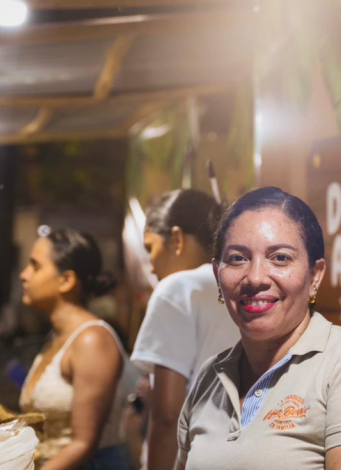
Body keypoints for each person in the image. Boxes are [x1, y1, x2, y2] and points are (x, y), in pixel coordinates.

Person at [175, 187, 341, 470]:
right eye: (237, 258)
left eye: (280, 258)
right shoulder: (210, 377)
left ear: (315, 276)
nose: (255, 277)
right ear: (218, 276)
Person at [130, 189, 240, 470]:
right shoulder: (243, 286)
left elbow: (168, 415)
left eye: (150, 248)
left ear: (177, 239)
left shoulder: (176, 289)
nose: (150, 265)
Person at [19, 227, 131, 470]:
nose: (23, 275)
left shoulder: (92, 340)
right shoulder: (58, 337)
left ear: (66, 280)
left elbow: (83, 444)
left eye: (35, 266)